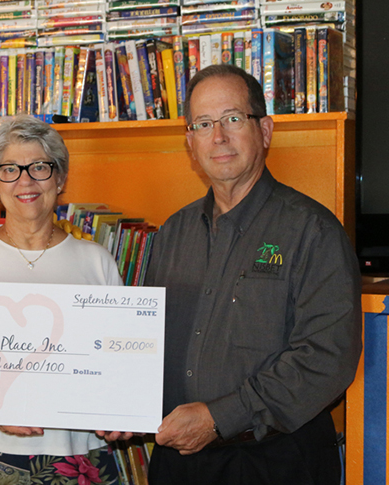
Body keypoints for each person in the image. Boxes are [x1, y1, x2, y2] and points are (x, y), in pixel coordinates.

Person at [111, 65, 362, 484]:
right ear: (190, 142)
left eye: (232, 119)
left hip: (276, 462)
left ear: (264, 130)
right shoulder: (173, 233)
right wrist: (121, 404)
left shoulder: (313, 232)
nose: (219, 137)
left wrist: (219, 418)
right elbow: (145, 344)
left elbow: (326, 358)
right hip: (181, 466)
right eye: (204, 124)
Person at [0, 114, 124, 485]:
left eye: (39, 167)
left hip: (75, 455)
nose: (25, 180)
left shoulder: (97, 262)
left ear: (61, 178)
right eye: (9, 169)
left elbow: (119, 362)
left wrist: (120, 409)